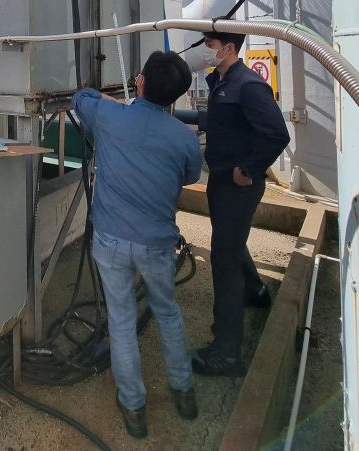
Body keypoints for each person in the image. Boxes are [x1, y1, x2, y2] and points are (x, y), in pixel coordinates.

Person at [73, 51, 203, 439]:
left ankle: (133, 407)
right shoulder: (184, 137)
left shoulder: (109, 116)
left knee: (122, 320)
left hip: (111, 239)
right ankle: (183, 392)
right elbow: (190, 176)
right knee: (167, 314)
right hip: (157, 244)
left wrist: (112, 101)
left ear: (141, 82)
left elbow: (80, 97)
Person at [191, 29, 290, 377]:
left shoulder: (247, 85)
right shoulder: (221, 81)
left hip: (238, 185)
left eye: (210, 44)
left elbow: (277, 133)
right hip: (222, 181)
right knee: (230, 242)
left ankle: (227, 353)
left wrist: (249, 168)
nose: (205, 49)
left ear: (229, 48)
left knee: (224, 260)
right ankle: (255, 292)